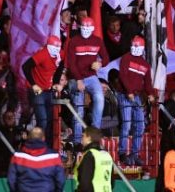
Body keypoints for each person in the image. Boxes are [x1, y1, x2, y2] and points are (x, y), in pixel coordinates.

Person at [66, 17, 109, 145]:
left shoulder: (97, 41)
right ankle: (78, 140)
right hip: (76, 77)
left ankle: (94, 132)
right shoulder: (74, 41)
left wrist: (100, 64)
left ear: (92, 29)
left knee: (100, 99)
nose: (85, 30)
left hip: (91, 77)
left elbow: (106, 57)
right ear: (80, 28)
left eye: (87, 28)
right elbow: (71, 64)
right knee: (78, 107)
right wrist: (78, 80)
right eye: (83, 28)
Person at [115, 36, 155, 166]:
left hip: (136, 96)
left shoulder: (145, 64)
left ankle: (135, 153)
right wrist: (129, 91)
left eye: (137, 46)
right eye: (133, 45)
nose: (134, 48)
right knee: (126, 124)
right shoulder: (126, 58)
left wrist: (150, 94)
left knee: (140, 125)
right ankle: (122, 153)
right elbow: (123, 76)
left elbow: (148, 82)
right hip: (125, 95)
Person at [23, 35, 64, 142]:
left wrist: (55, 82)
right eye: (53, 48)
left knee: (49, 120)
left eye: (57, 49)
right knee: (43, 120)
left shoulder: (60, 55)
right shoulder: (42, 54)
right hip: (38, 90)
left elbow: (60, 66)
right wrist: (33, 84)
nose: (55, 51)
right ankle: (36, 144)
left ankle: (40, 143)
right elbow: (25, 66)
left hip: (48, 89)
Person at [7, 127, 65, 192]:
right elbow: (60, 181)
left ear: (28, 138)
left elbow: (11, 180)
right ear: (43, 138)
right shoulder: (54, 157)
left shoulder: (17, 156)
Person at [74, 127, 114, 192]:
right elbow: (111, 182)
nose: (82, 139)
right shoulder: (107, 155)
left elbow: (85, 183)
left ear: (89, 138)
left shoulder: (89, 155)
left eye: (83, 136)